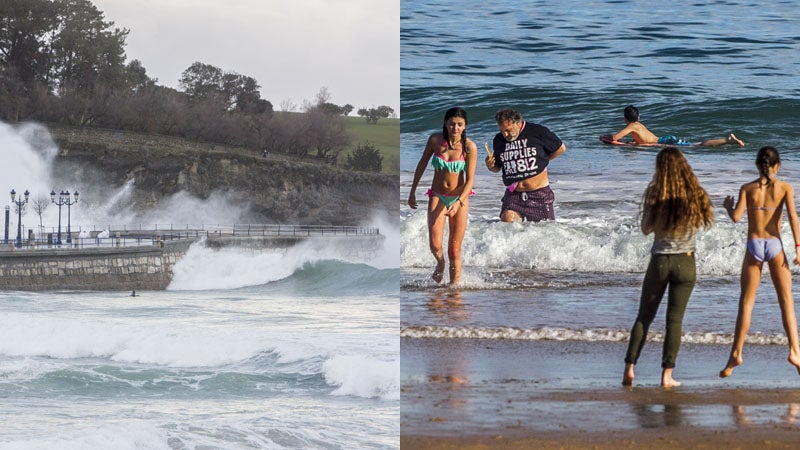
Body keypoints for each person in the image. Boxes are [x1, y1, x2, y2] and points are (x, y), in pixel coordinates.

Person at [623, 147, 714, 387]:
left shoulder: (655, 193)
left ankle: (629, 368)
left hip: (660, 260)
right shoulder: (695, 193)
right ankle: (667, 376)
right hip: (686, 260)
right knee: (674, 320)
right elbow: (705, 223)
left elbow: (645, 229)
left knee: (644, 317)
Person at [719, 146, 800, 378]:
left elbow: (736, 217)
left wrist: (727, 207)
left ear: (757, 165)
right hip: (775, 245)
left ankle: (736, 353)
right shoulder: (785, 188)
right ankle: (795, 352)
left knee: (746, 303)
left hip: (754, 246)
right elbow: (793, 217)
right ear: (778, 165)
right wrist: (798, 248)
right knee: (786, 302)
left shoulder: (747, 188)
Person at [408, 107, 477, 284]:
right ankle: (440, 264)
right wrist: (412, 191)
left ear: (465, 126)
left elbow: (469, 181)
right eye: (452, 124)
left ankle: (454, 287)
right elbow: (422, 164)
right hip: (437, 195)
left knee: (454, 249)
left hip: (459, 199)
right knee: (435, 244)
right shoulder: (435, 140)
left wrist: (458, 202)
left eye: (460, 125)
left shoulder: (469, 147)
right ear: (445, 124)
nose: (455, 128)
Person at [485, 108, 566, 222]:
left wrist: (541, 161)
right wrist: (490, 166)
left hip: (539, 194)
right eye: (502, 131)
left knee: (546, 231)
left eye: (508, 130)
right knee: (507, 221)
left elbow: (560, 148)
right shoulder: (499, 140)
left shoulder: (537, 131)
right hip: (514, 196)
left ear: (517, 123)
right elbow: (497, 167)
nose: (505, 134)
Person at [608, 105, 745, 147]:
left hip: (665, 142)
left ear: (625, 118)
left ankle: (728, 140)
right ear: (638, 117)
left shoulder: (631, 126)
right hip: (665, 139)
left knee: (698, 146)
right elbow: (642, 140)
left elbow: (614, 138)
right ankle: (728, 140)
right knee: (696, 144)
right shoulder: (638, 124)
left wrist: (605, 138)